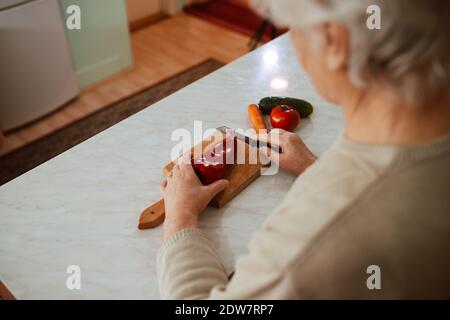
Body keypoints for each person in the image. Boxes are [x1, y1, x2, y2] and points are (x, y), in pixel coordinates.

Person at [157, 0, 450, 299]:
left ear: (336, 40)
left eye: (293, 29)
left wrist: (180, 216)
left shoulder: (313, 239)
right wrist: (313, 166)